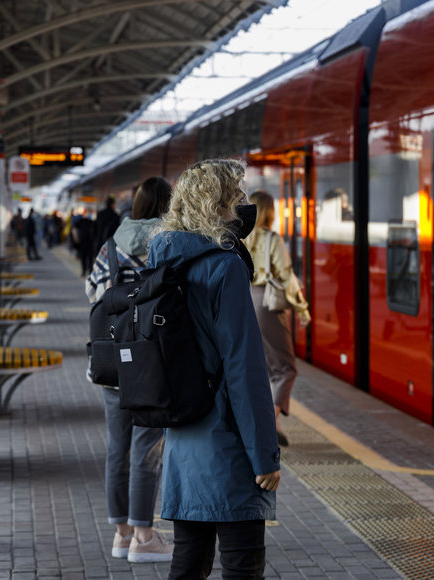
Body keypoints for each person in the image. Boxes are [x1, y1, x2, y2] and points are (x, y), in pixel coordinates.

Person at [146, 159, 281, 579]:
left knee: (188, 560)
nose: (243, 205)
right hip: (227, 439)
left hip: (182, 435)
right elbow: (245, 369)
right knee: (242, 563)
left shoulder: (160, 258)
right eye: (237, 197)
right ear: (218, 203)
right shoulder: (224, 266)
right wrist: (265, 456)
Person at [86, 177, 174, 563]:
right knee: (147, 449)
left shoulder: (111, 248)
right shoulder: (170, 245)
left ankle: (121, 534)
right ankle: (145, 534)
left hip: (113, 364)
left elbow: (93, 293)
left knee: (117, 448)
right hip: (153, 361)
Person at [243, 190, 311, 448]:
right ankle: (269, 421)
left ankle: (270, 421)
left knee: (261, 366)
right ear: (270, 212)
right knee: (285, 368)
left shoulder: (242, 237)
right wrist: (303, 310)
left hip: (246, 300)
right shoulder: (271, 239)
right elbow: (286, 276)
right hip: (267, 303)